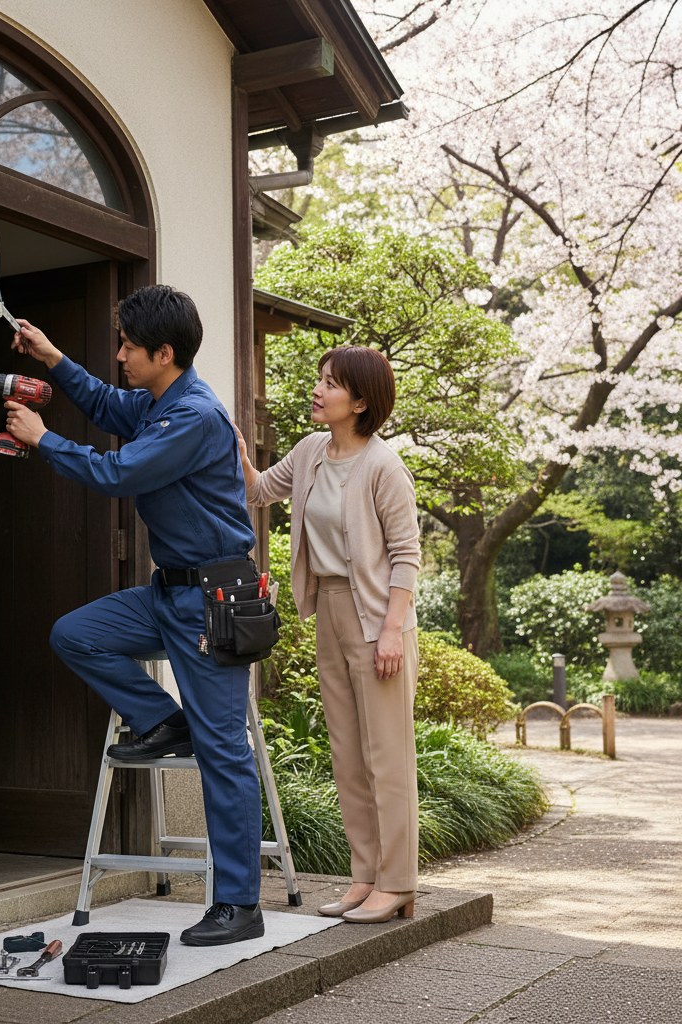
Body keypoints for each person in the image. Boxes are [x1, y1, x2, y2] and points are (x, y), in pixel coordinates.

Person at [4, 284, 266, 946]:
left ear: (164, 353)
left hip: (212, 602)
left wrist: (43, 439)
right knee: (76, 634)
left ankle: (239, 905)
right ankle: (165, 720)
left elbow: (118, 473)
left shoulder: (193, 417)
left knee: (224, 753)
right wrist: (51, 355)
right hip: (167, 594)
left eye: (127, 346)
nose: (119, 355)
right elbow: (102, 402)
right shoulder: (158, 402)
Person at [237, 346, 421, 923]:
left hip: (379, 620)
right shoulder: (311, 450)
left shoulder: (384, 466)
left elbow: (407, 555)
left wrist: (391, 632)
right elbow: (260, 490)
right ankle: (364, 877)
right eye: (320, 379)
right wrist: (235, 452)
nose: (318, 390)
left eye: (331, 384)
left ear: (361, 402)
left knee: (386, 756)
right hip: (332, 611)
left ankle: (398, 883)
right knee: (346, 755)